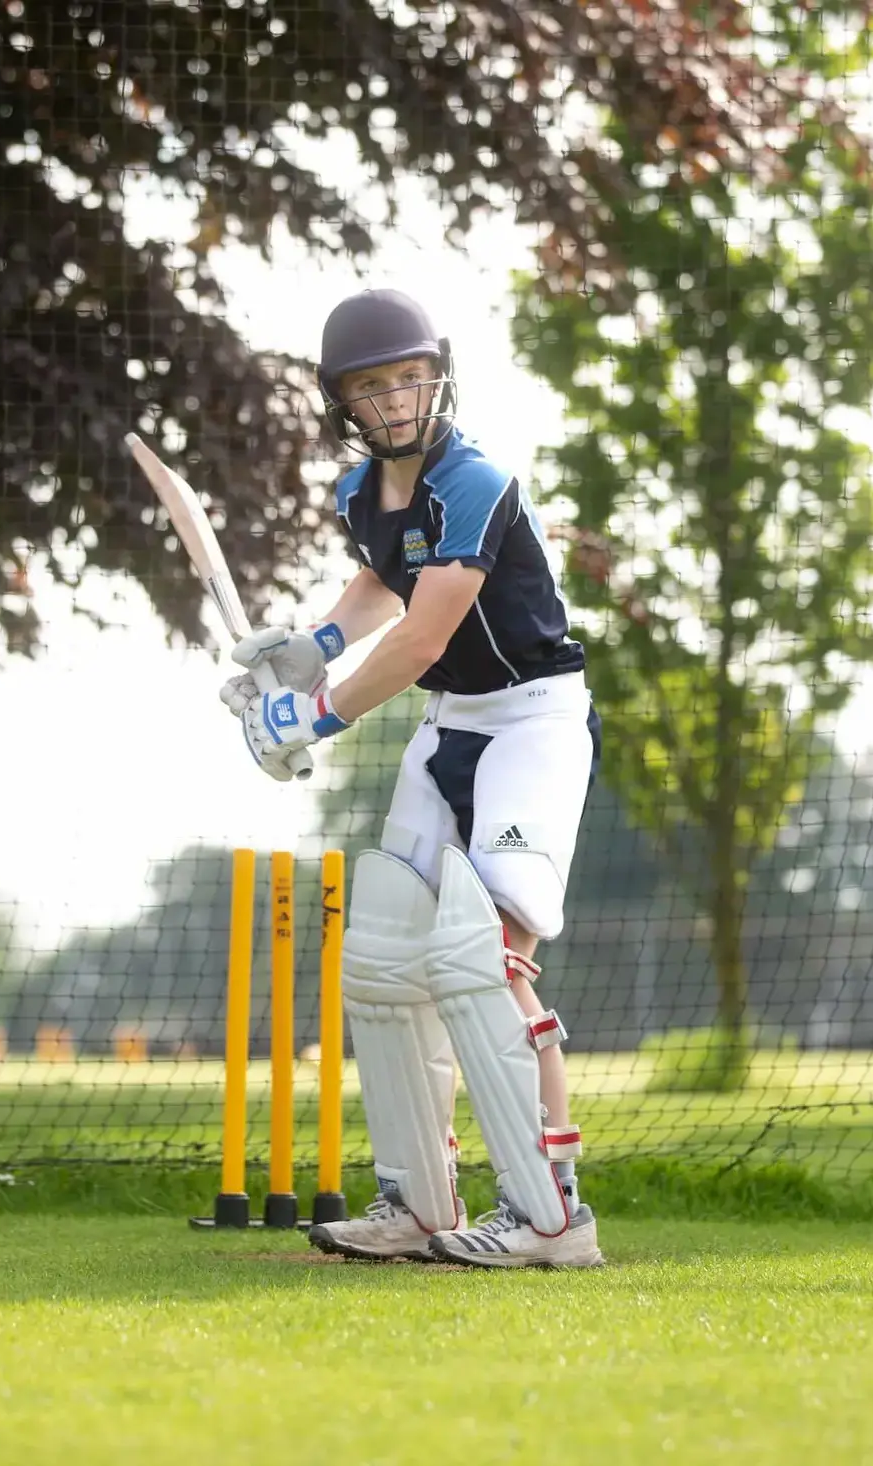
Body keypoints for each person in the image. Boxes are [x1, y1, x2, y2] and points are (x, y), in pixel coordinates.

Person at [220, 288, 603, 1268]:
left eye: (408, 376)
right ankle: (418, 1202)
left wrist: (314, 712)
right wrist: (315, 645)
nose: (396, 397)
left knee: (492, 961)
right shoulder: (359, 494)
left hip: (533, 722)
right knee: (385, 963)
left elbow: (427, 629)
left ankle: (551, 1214)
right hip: (451, 721)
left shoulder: (474, 478)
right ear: (343, 402)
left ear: (438, 374)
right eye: (372, 385)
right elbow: (387, 582)